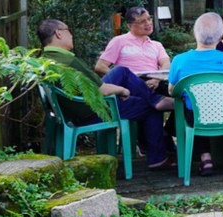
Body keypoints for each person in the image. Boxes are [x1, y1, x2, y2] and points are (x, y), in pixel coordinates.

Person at [37, 19, 173, 170]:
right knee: (149, 106)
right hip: (92, 110)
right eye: (68, 30)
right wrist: (122, 90)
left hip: (72, 110)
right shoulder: (69, 61)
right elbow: (102, 90)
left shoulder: (43, 60)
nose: (71, 35)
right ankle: (157, 158)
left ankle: (156, 101)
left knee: (121, 71)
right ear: (58, 34)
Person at [168, 12, 223, 175]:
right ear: (220, 35)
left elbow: (172, 91)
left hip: (195, 117)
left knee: (194, 108)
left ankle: (205, 159)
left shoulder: (179, 60)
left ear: (195, 33)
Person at [96, 6, 171, 96]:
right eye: (142, 22)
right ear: (130, 25)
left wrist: (157, 80)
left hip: (154, 82)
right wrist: (125, 79)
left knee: (181, 95)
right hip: (129, 85)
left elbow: (166, 64)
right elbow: (100, 66)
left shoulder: (157, 45)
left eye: (149, 19)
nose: (148, 23)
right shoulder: (119, 41)